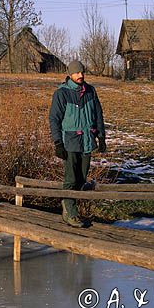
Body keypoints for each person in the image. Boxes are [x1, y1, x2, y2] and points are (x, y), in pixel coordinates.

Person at [49, 60, 106, 228]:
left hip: (87, 141)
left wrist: (101, 137)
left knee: (81, 178)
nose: (80, 75)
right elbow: (54, 119)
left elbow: (98, 115)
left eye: (82, 72)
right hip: (70, 142)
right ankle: (70, 213)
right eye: (77, 73)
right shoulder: (62, 93)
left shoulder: (91, 91)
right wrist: (58, 142)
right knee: (70, 179)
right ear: (70, 74)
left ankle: (68, 205)